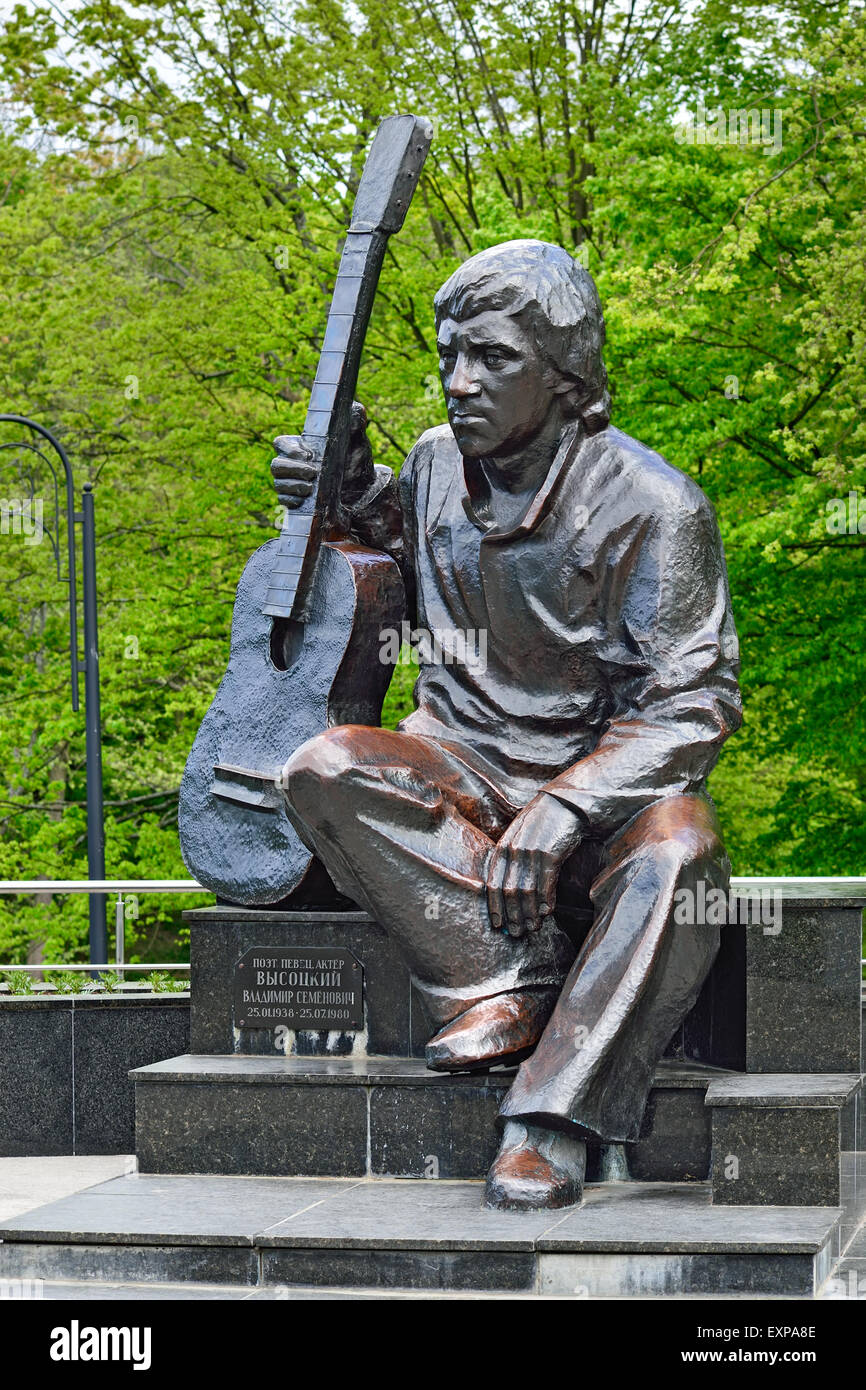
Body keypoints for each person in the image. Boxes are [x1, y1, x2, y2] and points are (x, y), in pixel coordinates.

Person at [272, 239, 742, 1211]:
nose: (458, 382)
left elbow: (692, 704)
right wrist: (338, 492)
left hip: (601, 796)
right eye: (450, 356)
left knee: (682, 853)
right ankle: (504, 977)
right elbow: (388, 552)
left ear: (565, 375)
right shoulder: (433, 466)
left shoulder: (654, 508)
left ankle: (548, 1119)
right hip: (461, 768)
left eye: (491, 358)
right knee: (321, 767)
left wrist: (570, 804)